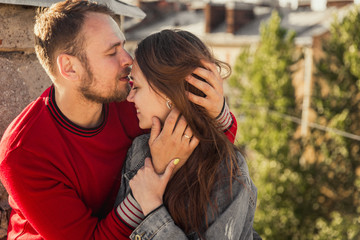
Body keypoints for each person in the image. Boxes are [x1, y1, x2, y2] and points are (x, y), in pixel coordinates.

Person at [0, 1, 238, 239]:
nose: (128, 60)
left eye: (124, 46)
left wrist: (216, 111)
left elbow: (205, 150)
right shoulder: (25, 152)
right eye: (111, 52)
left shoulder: (132, 100)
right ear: (69, 68)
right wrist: (153, 176)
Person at [115, 29, 260, 240]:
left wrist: (152, 206)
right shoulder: (139, 150)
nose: (129, 97)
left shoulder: (227, 172)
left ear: (168, 94)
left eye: (135, 86)